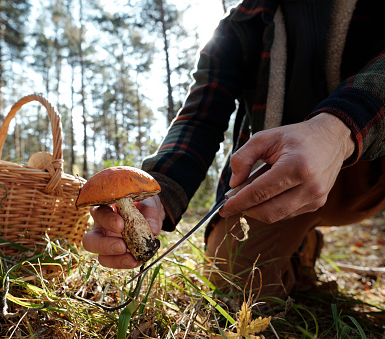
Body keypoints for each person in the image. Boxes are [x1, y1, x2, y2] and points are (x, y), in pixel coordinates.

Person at [82, 0, 385, 298]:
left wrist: (339, 128)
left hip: (371, 169)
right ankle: (302, 247)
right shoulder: (240, 23)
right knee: (233, 279)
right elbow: (199, 119)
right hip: (272, 180)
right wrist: (161, 190)